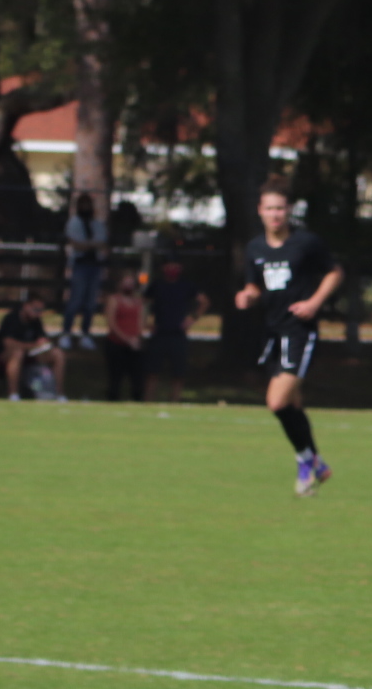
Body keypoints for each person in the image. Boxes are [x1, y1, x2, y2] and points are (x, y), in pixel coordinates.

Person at [233, 182, 344, 497]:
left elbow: (334, 272)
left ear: (289, 210)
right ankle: (317, 465)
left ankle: (305, 463)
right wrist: (247, 296)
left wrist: (314, 302)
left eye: (280, 208)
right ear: (260, 211)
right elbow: (255, 285)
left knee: (277, 402)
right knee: (292, 405)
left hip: (299, 332)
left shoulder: (305, 243)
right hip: (272, 332)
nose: (275, 214)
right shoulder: (255, 248)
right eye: (269, 208)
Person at [146, 259, 208, 404]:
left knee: (178, 373)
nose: (172, 269)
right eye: (169, 265)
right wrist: (145, 323)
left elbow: (204, 301)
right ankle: (148, 401)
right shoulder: (157, 285)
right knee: (152, 372)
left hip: (178, 334)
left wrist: (192, 318)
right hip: (159, 333)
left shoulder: (186, 285)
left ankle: (174, 401)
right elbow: (143, 302)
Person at [0, 291, 66, 401]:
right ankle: (13, 394)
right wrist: (33, 345)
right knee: (17, 353)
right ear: (26, 306)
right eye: (36, 310)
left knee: (58, 354)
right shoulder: (11, 319)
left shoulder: (36, 321)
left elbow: (42, 340)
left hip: (31, 355)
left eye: (41, 311)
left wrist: (44, 344)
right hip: (7, 355)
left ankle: (58, 394)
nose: (38, 313)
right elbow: (8, 343)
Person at [61, 193, 108, 349]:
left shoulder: (97, 223)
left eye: (88, 204)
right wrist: (90, 245)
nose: (86, 208)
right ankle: (66, 333)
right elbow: (76, 244)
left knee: (91, 302)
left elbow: (102, 242)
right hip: (80, 265)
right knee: (75, 300)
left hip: (95, 266)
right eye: (83, 204)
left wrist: (88, 245)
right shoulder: (74, 223)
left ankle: (85, 333)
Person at [103, 273, 147, 403]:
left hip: (134, 345)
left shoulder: (138, 302)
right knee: (115, 379)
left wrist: (137, 339)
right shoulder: (114, 299)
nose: (129, 285)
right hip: (116, 344)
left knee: (138, 379)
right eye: (126, 282)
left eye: (131, 282)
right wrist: (127, 339)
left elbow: (140, 323)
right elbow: (111, 323)